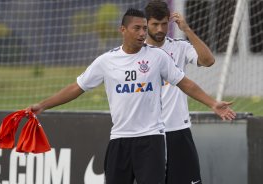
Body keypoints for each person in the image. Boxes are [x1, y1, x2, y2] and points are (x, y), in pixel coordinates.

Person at [27, 8, 235, 184]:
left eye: (144, 28)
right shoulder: (106, 61)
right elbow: (77, 87)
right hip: (120, 140)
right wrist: (44, 105)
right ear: (123, 30)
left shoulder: (157, 57)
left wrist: (213, 103)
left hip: (151, 141)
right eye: (137, 28)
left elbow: (185, 83)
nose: (142, 33)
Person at [145, 1, 216, 184]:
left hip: (178, 130)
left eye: (164, 23)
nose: (160, 29)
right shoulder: (137, 53)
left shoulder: (179, 47)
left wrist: (187, 29)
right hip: (148, 134)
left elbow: (208, 60)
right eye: (155, 24)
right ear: (146, 24)